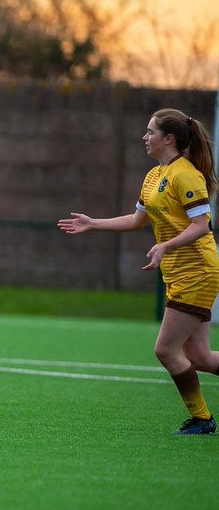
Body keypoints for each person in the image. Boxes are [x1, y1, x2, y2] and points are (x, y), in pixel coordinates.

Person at [58, 108, 219, 435]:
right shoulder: (153, 176)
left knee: (165, 350)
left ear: (168, 139)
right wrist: (93, 224)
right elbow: (136, 221)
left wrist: (165, 246)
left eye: (150, 132)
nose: (145, 137)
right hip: (178, 272)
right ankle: (202, 418)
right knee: (200, 356)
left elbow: (201, 226)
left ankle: (202, 419)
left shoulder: (185, 174)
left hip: (197, 270)